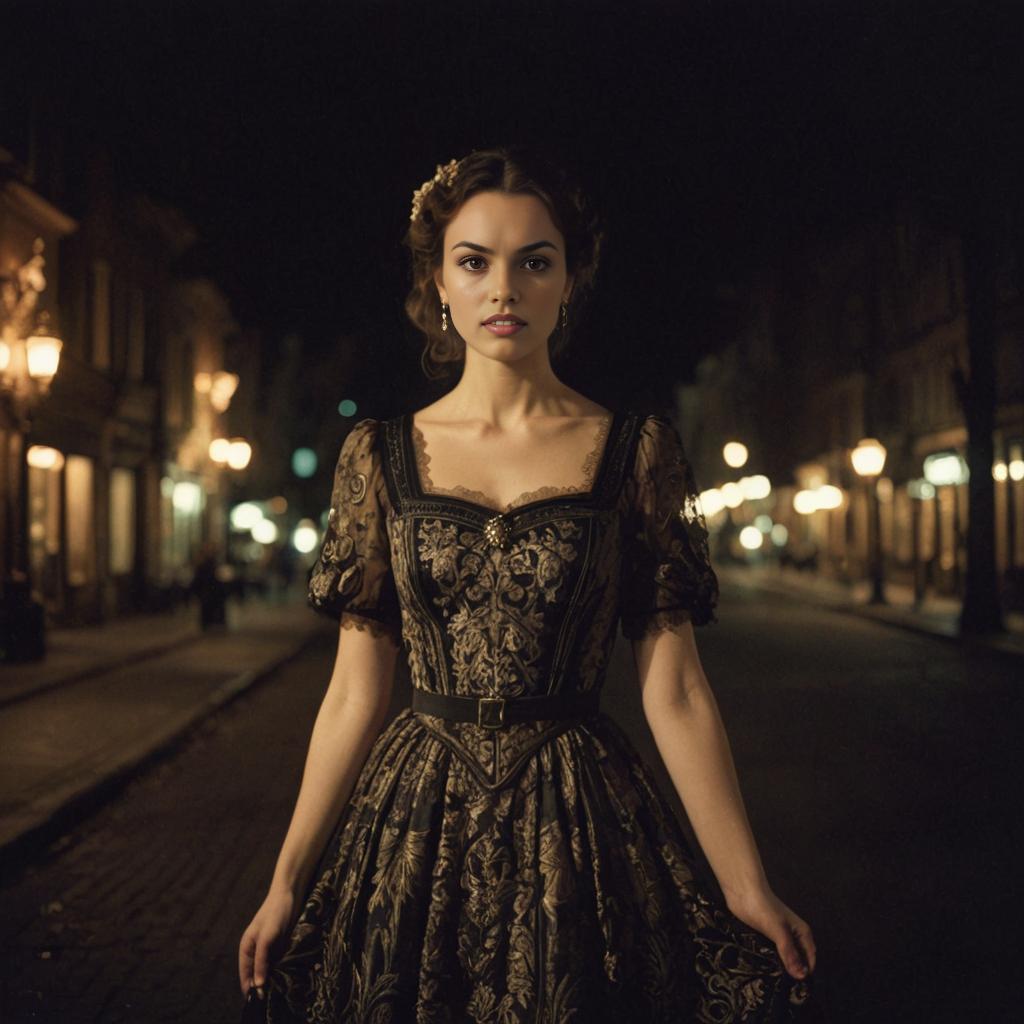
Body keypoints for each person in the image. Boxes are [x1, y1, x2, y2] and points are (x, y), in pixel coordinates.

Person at [238, 144, 822, 1022]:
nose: (502, 289)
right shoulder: (381, 458)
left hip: (580, 824)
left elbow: (677, 689)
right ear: (439, 281)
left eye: (532, 262)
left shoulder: (635, 450)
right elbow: (354, 694)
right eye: (474, 262)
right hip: (414, 822)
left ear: (569, 280)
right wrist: (286, 881)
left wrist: (747, 883)